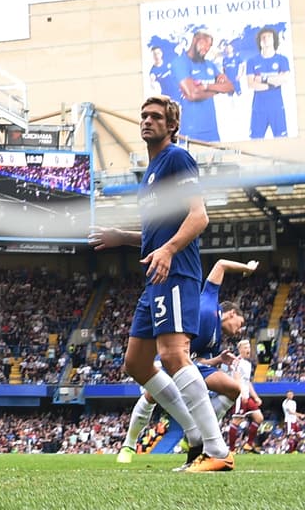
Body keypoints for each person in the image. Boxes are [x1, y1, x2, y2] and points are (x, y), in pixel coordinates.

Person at [89, 95, 234, 472]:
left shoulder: (176, 159)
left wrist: (168, 250)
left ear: (172, 126)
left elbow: (198, 217)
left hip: (176, 271)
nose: (147, 121)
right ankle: (195, 435)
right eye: (144, 116)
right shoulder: (151, 174)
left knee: (172, 355)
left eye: (156, 117)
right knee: (136, 363)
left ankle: (217, 451)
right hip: (156, 275)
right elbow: (157, 234)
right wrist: (124, 235)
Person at [115, 258, 252, 466]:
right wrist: (247, 268)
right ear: (232, 313)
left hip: (190, 363)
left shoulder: (216, 340)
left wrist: (219, 359)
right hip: (172, 354)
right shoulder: (209, 298)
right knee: (151, 394)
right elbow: (221, 264)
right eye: (240, 324)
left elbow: (202, 360)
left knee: (233, 388)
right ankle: (129, 444)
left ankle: (202, 434)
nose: (239, 330)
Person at [171, 27, 232, 142]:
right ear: (194, 40)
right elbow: (193, 94)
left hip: (211, 129)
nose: (206, 48)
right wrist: (218, 89)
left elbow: (229, 87)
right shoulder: (180, 62)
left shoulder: (209, 64)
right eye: (204, 43)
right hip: (191, 129)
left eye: (209, 45)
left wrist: (206, 87)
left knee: (218, 160)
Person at [245, 26, 291, 139]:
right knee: (255, 140)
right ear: (259, 42)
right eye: (263, 37)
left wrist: (263, 79)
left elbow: (284, 79)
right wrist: (274, 83)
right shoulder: (252, 61)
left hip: (277, 107)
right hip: (258, 108)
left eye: (269, 37)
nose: (266, 39)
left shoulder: (282, 59)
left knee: (282, 140)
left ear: (274, 40)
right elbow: (251, 84)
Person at [225, 339, 265, 453]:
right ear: (240, 349)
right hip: (239, 396)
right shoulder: (237, 361)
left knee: (259, 418)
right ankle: (231, 449)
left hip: (247, 395)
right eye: (246, 347)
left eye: (249, 347)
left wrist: (255, 397)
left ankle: (248, 444)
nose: (248, 350)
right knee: (236, 421)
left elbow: (247, 382)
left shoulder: (248, 364)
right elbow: (236, 378)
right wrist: (242, 393)